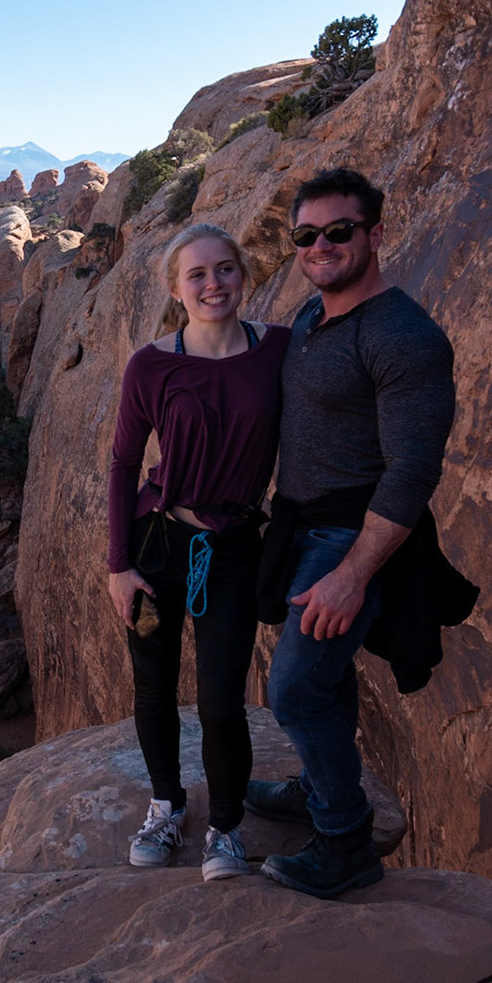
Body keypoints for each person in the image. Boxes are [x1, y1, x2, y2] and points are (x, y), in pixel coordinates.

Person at [245, 166, 457, 899]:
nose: (321, 246)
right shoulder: (311, 318)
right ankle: (317, 784)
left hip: (349, 540)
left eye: (339, 231)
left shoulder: (403, 335)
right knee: (323, 678)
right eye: (307, 236)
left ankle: (343, 840)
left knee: (297, 687)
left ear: (374, 233)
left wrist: (354, 573)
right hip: (302, 528)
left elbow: (412, 471)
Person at [106, 221, 289, 880]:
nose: (214, 284)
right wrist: (118, 566)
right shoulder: (153, 365)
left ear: (243, 274)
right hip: (159, 545)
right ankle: (165, 807)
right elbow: (124, 465)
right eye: (198, 274)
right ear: (175, 288)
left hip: (233, 548)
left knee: (220, 699)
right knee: (154, 685)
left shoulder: (278, 351)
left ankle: (226, 828)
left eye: (225, 269)